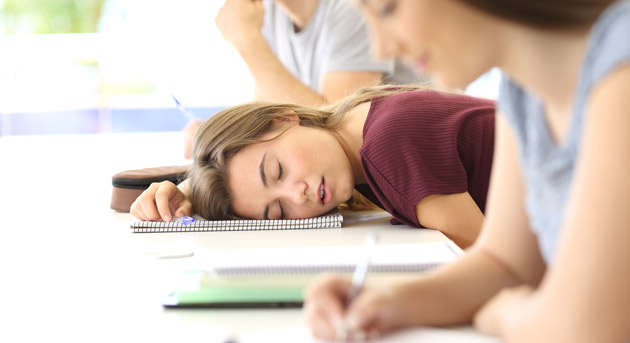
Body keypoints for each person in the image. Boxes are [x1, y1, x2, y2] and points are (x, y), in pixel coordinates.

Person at [302, 0, 630, 341]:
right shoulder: (524, 90)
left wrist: (503, 316)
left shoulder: (621, 71)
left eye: (385, 7)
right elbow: (506, 264)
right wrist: (387, 302)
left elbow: (585, 329)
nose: (381, 47)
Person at [131, 85, 495, 249]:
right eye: (278, 211)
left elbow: (495, 260)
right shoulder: (358, 131)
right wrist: (188, 192)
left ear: (282, 118)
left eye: (277, 171)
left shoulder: (387, 145)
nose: (297, 194)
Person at [182, 0, 420, 158]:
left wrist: (248, 42)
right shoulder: (266, 12)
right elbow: (265, 114)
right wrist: (215, 136)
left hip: (408, 165)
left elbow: (338, 130)